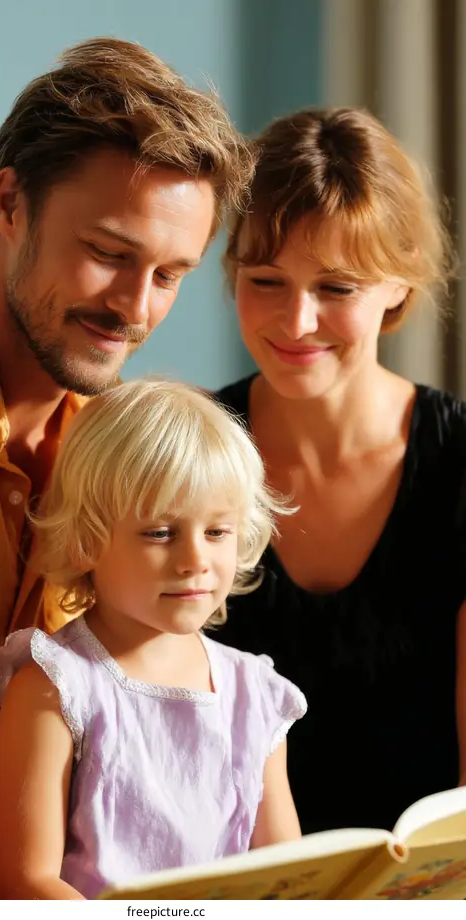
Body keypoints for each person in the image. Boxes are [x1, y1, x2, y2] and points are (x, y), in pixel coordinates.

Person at [0, 38, 254, 899]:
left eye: (170, 274)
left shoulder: (124, 451)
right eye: (111, 253)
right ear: (10, 202)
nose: (136, 306)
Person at [211, 106, 466, 836]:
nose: (295, 323)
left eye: (337, 287)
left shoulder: (459, 463)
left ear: (399, 280)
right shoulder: (190, 460)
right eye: (265, 280)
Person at [0, 378, 306, 900]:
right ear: (88, 540)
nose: (195, 559)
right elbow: (27, 881)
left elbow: (288, 875)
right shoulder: (55, 686)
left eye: (217, 532)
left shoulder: (257, 695)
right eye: (161, 532)